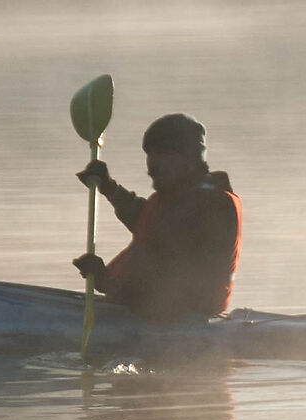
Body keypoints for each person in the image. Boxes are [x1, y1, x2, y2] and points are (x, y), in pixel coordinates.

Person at [72, 112, 242, 321]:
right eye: (150, 154)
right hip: (148, 311)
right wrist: (109, 187)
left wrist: (105, 280)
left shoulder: (211, 206)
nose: (152, 164)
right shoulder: (178, 197)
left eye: (163, 153)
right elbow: (148, 222)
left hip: (180, 320)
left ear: (189, 158)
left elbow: (168, 281)